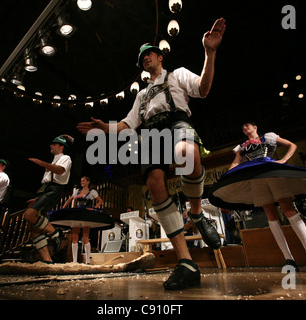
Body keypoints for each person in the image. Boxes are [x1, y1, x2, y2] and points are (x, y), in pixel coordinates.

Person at [77, 18, 226, 290]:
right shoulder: (141, 96)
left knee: (187, 156)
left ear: (159, 57)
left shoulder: (177, 74)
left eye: (149, 54)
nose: (145, 59)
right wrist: (103, 127)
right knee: (155, 184)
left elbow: (204, 89)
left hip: (177, 122)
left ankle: (195, 213)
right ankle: (186, 262)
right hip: (151, 134)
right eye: (141, 57)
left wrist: (210, 52)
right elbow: (126, 125)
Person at [210, 122, 306, 272]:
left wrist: (284, 160)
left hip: (271, 171)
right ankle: (288, 258)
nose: (245, 128)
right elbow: (236, 162)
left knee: (287, 208)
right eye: (242, 127)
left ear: (255, 127)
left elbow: (292, 145)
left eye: (247, 126)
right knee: (270, 214)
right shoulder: (241, 147)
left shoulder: (268, 137)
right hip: (254, 176)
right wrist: (227, 178)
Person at [23, 134, 73, 263]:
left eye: (54, 144)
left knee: (29, 215)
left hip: (54, 189)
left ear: (61, 146)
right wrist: (38, 197)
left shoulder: (65, 158)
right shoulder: (54, 160)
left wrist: (41, 163)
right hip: (45, 190)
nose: (51, 146)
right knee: (34, 229)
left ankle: (56, 233)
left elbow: (59, 171)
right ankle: (47, 260)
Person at [62, 176, 103, 264]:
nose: (81, 182)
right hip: (77, 213)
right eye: (81, 181)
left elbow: (100, 201)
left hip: (86, 214)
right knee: (75, 237)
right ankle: (74, 261)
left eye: (83, 180)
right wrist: (62, 209)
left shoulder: (92, 192)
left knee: (85, 237)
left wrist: (94, 208)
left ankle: (88, 260)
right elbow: (69, 200)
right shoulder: (77, 191)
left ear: (88, 182)